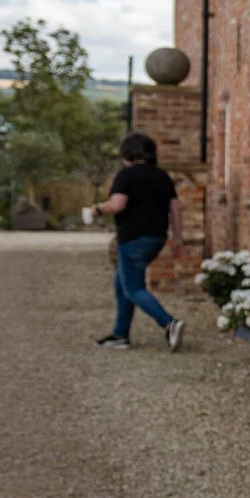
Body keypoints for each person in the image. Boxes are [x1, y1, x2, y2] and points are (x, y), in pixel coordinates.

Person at [97, 132, 183, 351]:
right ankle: (120, 335)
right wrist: (178, 238)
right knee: (121, 283)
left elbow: (117, 205)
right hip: (156, 238)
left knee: (133, 288)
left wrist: (97, 209)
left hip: (133, 239)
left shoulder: (126, 176)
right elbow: (175, 210)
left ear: (127, 154)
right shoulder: (162, 176)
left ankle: (169, 323)